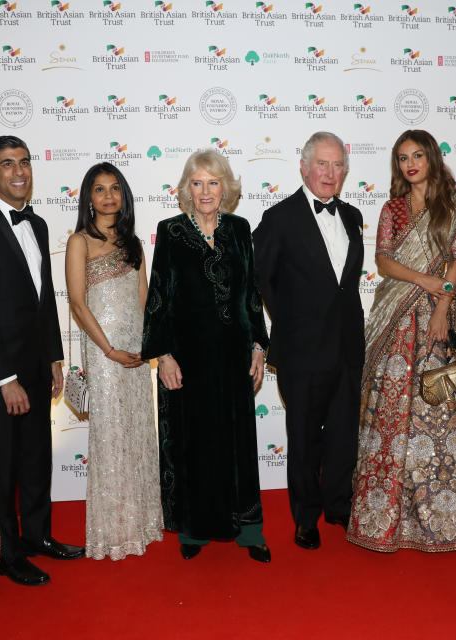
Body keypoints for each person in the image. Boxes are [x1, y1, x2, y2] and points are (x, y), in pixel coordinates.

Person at [347, 130, 456, 553]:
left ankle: (450, 519)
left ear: (432, 157)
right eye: (402, 158)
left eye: (417, 155)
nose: (410, 164)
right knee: (390, 418)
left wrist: (441, 307)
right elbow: (383, 261)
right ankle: (385, 518)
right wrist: (424, 282)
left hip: (438, 325)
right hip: (395, 324)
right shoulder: (392, 209)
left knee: (444, 412)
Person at [0, 135, 83, 587]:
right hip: (0, 368)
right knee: (5, 462)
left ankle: (38, 537)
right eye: (7, 164)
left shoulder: (41, 224)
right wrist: (4, 378)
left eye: (24, 162)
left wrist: (53, 357)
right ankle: (7, 553)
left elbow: (44, 300)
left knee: (36, 456)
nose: (19, 171)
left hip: (35, 362)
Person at [142, 149, 271, 563]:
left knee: (238, 445)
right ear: (186, 189)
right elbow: (159, 299)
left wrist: (258, 347)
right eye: (196, 183)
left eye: (213, 182)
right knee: (192, 444)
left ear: (225, 187)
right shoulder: (171, 231)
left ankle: (250, 531)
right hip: (188, 361)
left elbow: (251, 294)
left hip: (234, 359)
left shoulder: (239, 229)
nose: (205, 191)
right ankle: (194, 530)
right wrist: (163, 356)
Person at [253, 131, 365, 550]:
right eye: (323, 164)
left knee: (342, 433)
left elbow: (345, 286)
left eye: (338, 165)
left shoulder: (352, 216)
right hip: (301, 350)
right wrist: (291, 321)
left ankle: (338, 503)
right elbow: (261, 279)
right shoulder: (279, 218)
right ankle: (305, 518)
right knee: (303, 437)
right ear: (304, 167)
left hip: (348, 346)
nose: (330, 173)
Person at [65, 162, 163, 560]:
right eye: (100, 189)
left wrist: (147, 346)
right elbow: (77, 302)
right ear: (89, 196)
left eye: (115, 189)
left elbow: (144, 298)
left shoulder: (133, 242)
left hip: (136, 351)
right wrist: (107, 350)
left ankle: (141, 521)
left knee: (138, 431)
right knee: (110, 435)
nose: (108, 196)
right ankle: (113, 529)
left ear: (124, 196)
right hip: (104, 352)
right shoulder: (79, 242)